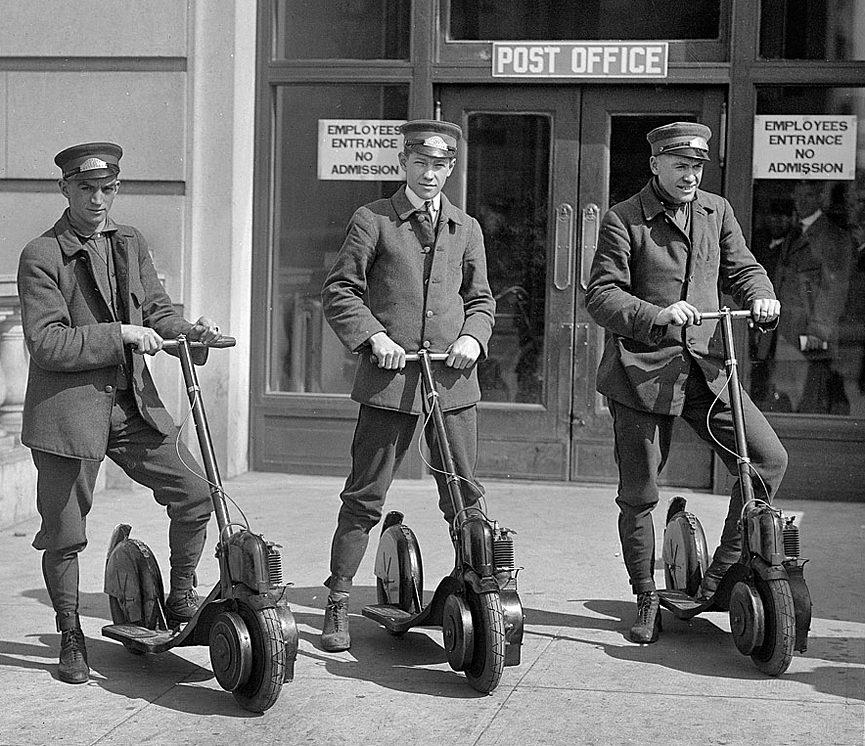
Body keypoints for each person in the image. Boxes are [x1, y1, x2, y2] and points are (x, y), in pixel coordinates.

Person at [17, 142, 222, 683]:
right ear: (64, 189)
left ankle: (180, 598)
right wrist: (122, 335)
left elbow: (157, 311)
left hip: (133, 409)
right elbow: (47, 344)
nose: (98, 199)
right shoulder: (41, 255)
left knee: (196, 493)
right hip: (67, 417)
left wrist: (188, 332)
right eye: (86, 188)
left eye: (108, 189)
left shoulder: (129, 243)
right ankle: (70, 635)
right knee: (64, 534)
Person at [585, 122, 788, 644]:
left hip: (707, 368)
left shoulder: (716, 211)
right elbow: (601, 296)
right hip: (642, 375)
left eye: (697, 166)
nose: (691, 175)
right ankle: (646, 596)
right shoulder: (623, 220)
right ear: (655, 165)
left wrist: (761, 293)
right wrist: (656, 313)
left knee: (765, 460)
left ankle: (720, 576)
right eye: (681, 165)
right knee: (641, 493)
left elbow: (744, 268)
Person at [319, 120, 495, 651]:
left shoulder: (466, 227)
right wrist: (373, 337)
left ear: (451, 168)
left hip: (452, 381)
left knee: (464, 494)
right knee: (365, 495)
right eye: (421, 163)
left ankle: (478, 591)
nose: (430, 174)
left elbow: (482, 300)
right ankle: (337, 600)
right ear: (404, 163)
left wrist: (473, 338)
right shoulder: (372, 219)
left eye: (441, 165)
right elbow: (340, 291)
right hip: (390, 383)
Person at [772, 180, 855, 414]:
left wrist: (818, 330)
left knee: (807, 397)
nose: (800, 202)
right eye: (797, 197)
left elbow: (835, 286)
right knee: (787, 394)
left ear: (819, 198)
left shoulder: (832, 236)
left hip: (808, 334)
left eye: (807, 196)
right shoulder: (797, 231)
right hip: (787, 330)